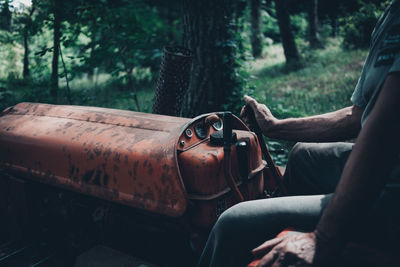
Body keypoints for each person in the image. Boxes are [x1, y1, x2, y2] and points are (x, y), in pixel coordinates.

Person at [197, 1, 400, 266]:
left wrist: (323, 237)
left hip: (391, 182)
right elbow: (360, 115)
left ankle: (273, 235)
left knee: (233, 222)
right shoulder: (391, 15)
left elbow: (386, 129)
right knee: (305, 155)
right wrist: (274, 126)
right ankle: (276, 225)